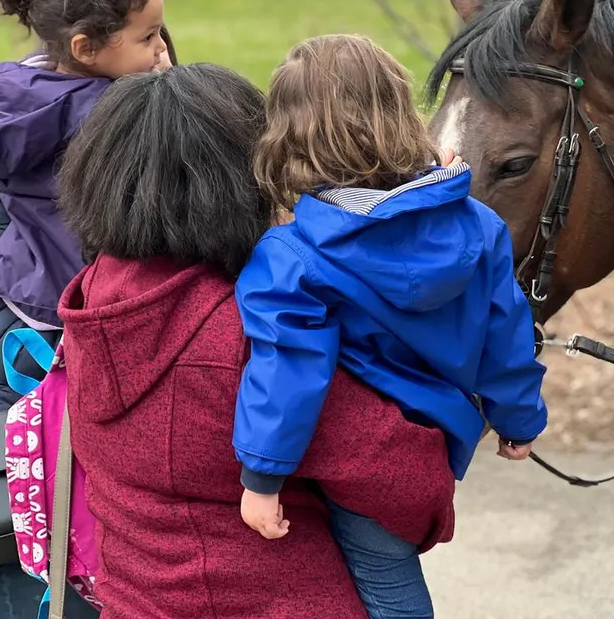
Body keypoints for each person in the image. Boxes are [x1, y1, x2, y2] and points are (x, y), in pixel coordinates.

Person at [54, 63, 455, 619]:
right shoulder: (247, 335)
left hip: (138, 599)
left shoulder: (93, 301)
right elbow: (398, 477)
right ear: (241, 176)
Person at [233, 33, 549, 618]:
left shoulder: (292, 255)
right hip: (436, 448)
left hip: (367, 463)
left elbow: (288, 367)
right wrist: (520, 418)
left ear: (289, 134)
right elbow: (507, 331)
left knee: (389, 596)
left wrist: (262, 475)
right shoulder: (478, 223)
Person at [0, 0, 173, 619]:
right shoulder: (120, 116)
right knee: (73, 521)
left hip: (22, 315)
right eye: (150, 38)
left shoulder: (10, 97)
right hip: (91, 330)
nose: (161, 52)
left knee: (30, 510)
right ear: (86, 47)